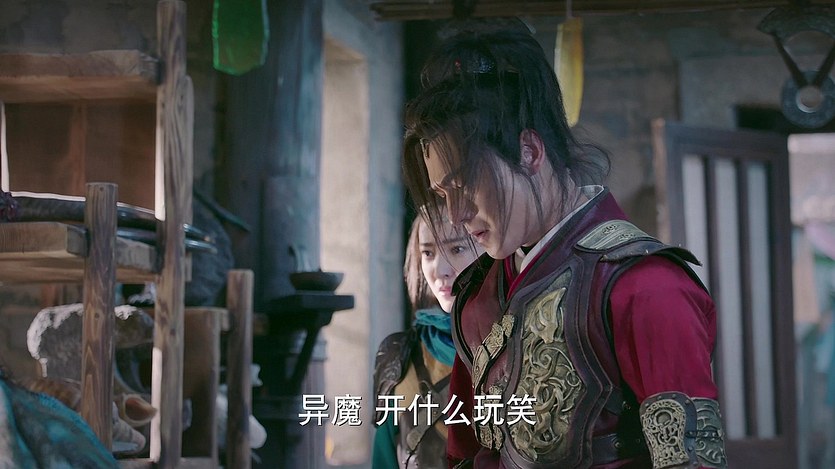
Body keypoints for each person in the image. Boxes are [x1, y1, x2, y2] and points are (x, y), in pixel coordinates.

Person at [401, 27, 728, 469]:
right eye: (443, 195)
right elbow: (464, 453)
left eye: (465, 185)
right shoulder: (477, 298)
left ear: (529, 151)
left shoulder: (645, 287)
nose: (456, 215)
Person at [372, 212, 483, 469]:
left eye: (457, 249)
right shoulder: (399, 356)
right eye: (428, 253)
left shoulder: (520, 345)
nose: (439, 270)